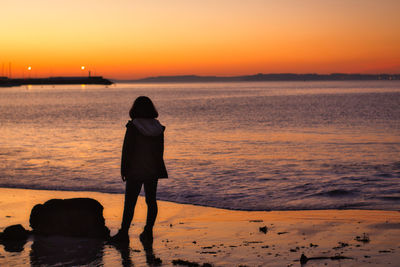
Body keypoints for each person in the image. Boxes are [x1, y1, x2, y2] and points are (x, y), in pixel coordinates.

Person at [111, 96, 168, 244]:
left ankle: (124, 233)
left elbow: (127, 150)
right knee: (151, 201)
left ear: (134, 109)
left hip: (135, 169)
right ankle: (148, 231)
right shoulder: (157, 127)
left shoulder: (133, 126)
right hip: (152, 169)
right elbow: (160, 151)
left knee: (130, 202)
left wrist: (123, 169)